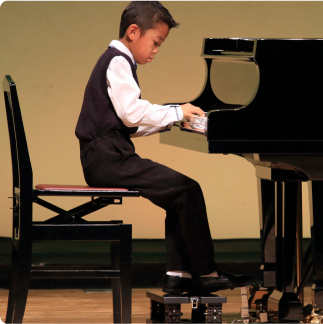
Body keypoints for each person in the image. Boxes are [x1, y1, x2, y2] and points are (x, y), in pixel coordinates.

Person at [75, 0, 251, 294]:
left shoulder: (116, 60)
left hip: (108, 157)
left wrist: (172, 118)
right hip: (108, 160)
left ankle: (178, 275)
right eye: (156, 42)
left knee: (177, 194)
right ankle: (206, 273)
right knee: (187, 189)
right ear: (134, 32)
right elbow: (132, 114)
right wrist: (176, 112)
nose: (156, 50)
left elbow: (128, 123)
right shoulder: (118, 61)